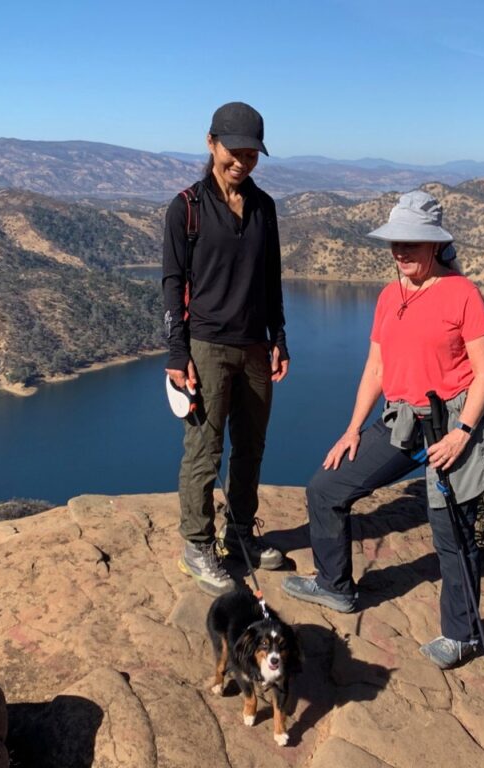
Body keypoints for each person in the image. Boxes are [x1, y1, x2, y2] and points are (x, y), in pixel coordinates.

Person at [282, 190, 484, 669]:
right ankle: (334, 586)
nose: (401, 251)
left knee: (452, 534)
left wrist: (463, 433)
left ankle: (461, 635)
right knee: (325, 488)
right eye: (395, 243)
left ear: (436, 246)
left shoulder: (462, 294)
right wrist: (353, 429)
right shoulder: (389, 296)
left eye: (412, 243)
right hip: (400, 422)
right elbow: (376, 368)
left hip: (451, 425)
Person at [163, 101, 290, 596]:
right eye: (233, 149)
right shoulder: (187, 208)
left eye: (252, 152)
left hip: (254, 347)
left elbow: (271, 279)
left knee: (251, 448)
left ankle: (238, 535)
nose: (242, 160)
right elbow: (173, 285)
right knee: (205, 450)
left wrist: (278, 338)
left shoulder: (265, 207)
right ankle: (197, 545)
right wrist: (178, 353)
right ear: (211, 143)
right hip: (207, 347)